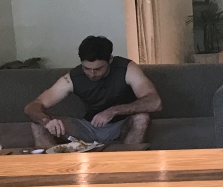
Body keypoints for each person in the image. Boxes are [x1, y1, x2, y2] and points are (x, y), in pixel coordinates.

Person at [24, 35, 162, 149]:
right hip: (88, 127)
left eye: (98, 69)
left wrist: (113, 111)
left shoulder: (127, 68)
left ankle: (127, 165)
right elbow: (32, 106)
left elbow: (155, 102)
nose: (92, 74)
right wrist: (46, 121)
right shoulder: (72, 78)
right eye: (86, 68)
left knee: (142, 118)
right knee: (37, 123)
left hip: (121, 125)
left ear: (110, 60)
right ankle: (51, 169)